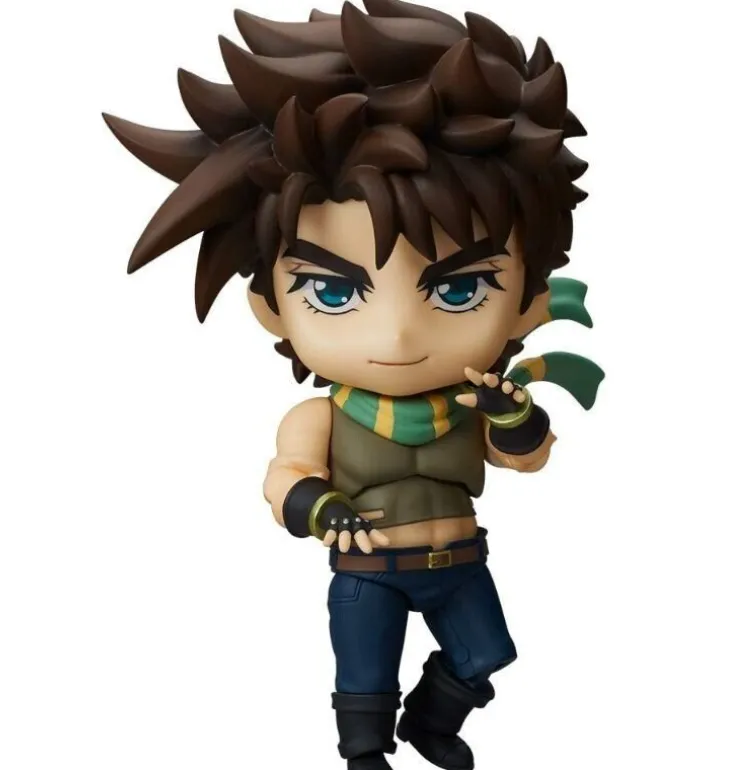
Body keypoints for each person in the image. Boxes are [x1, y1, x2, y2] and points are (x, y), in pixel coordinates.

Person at [104, 2, 602, 768]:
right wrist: (321, 507)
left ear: (529, 303)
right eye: (333, 292)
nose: (397, 335)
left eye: (460, 289)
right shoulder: (324, 415)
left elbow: (525, 459)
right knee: (364, 683)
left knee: (486, 655)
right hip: (370, 570)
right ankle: (366, 755)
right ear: (272, 308)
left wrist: (512, 415)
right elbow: (284, 477)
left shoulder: (469, 402)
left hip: (461, 561)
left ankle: (431, 722)